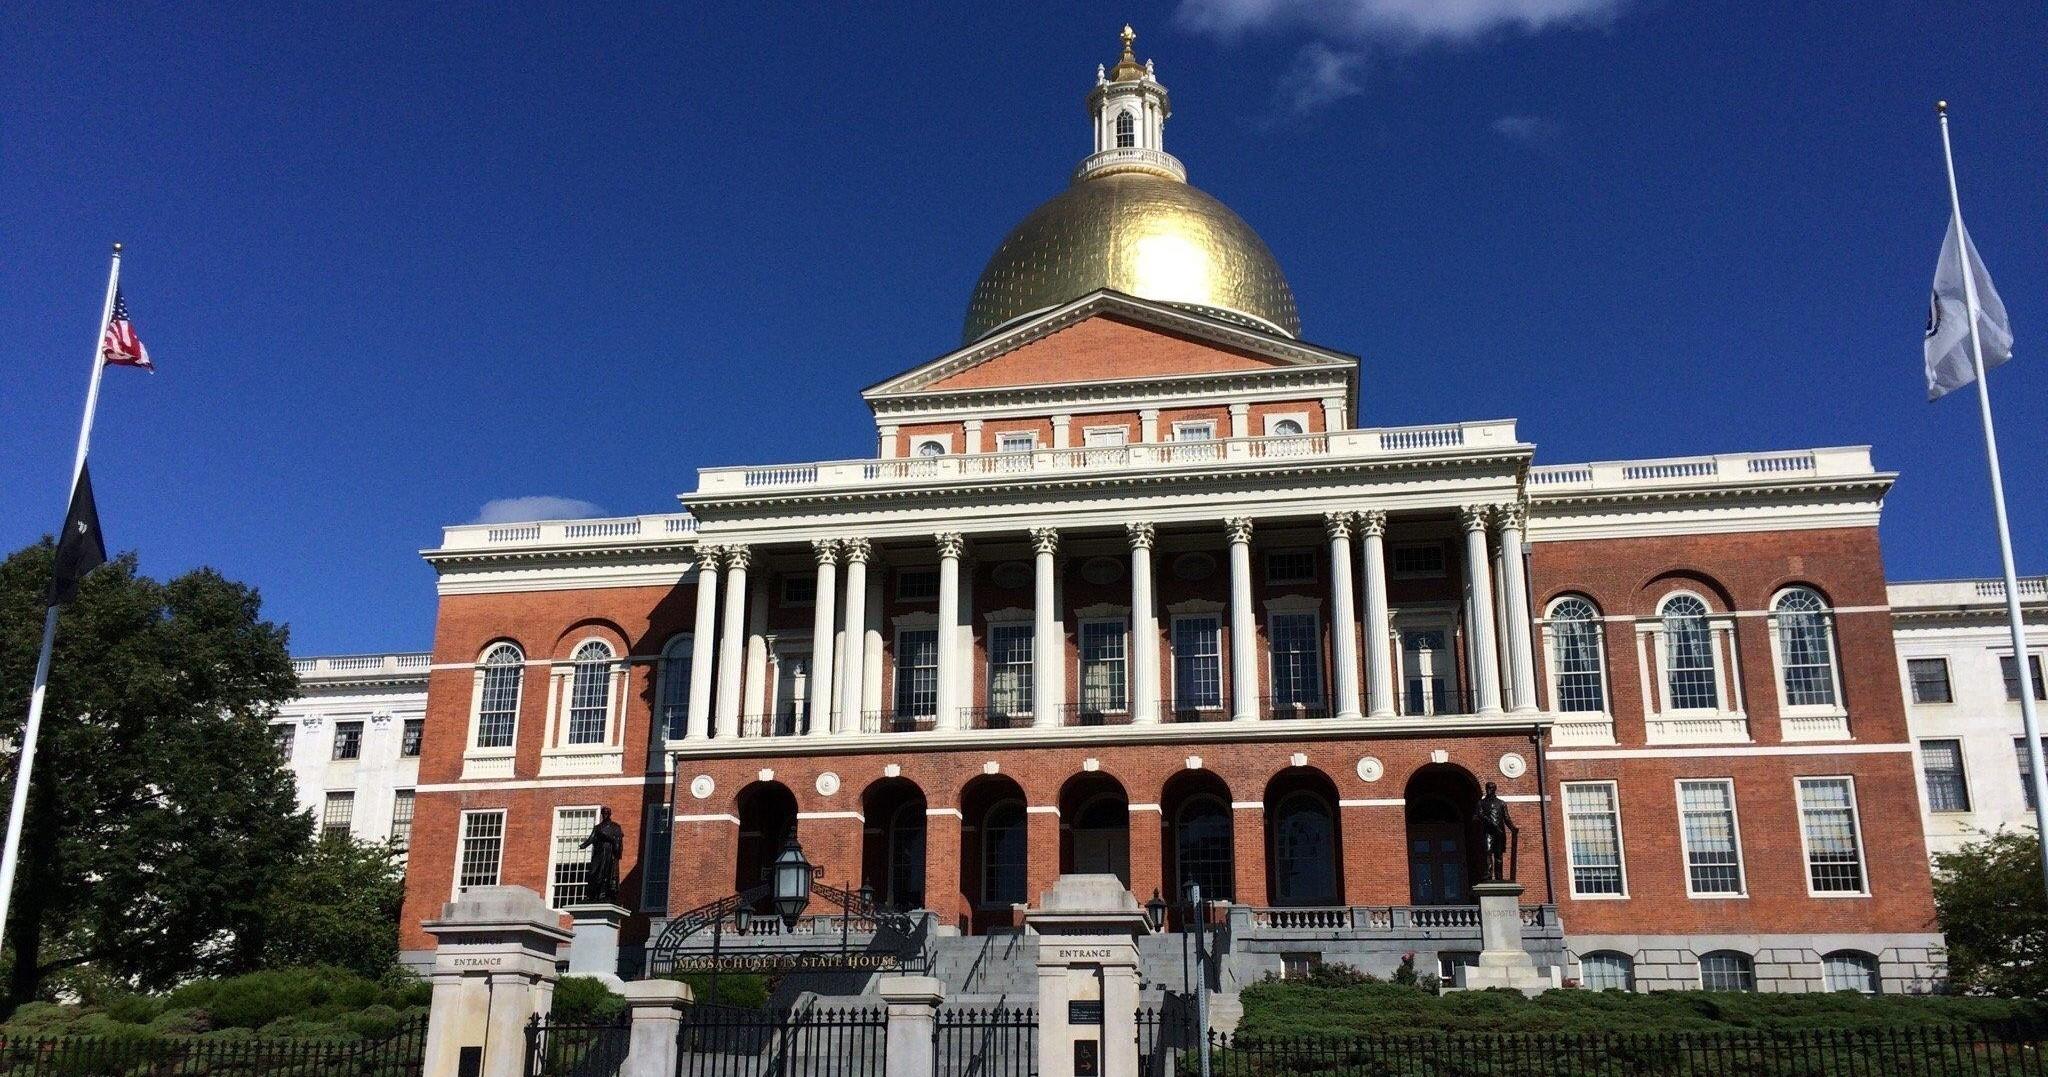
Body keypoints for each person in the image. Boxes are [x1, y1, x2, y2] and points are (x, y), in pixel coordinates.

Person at [578, 807, 626, 905]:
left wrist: (614, 845)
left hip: (609, 853)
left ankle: (604, 894)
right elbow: (591, 838)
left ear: (610, 814)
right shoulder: (597, 827)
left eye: (607, 813)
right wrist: (584, 845)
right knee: (593, 872)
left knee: (607, 873)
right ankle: (592, 894)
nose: (605, 815)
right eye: (603, 813)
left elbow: (617, 840)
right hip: (599, 852)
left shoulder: (615, 826)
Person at [1474, 782, 1518, 883]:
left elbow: (1506, 817)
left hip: (1499, 832)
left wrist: (1512, 828)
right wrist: (1488, 821)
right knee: (1488, 852)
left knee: (1498, 854)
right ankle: (1489, 875)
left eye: (1491, 788)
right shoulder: (1481, 803)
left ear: (1495, 789)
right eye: (1488, 788)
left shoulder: (1501, 803)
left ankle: (1499, 876)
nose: (1489, 790)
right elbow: (1480, 815)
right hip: (1487, 831)